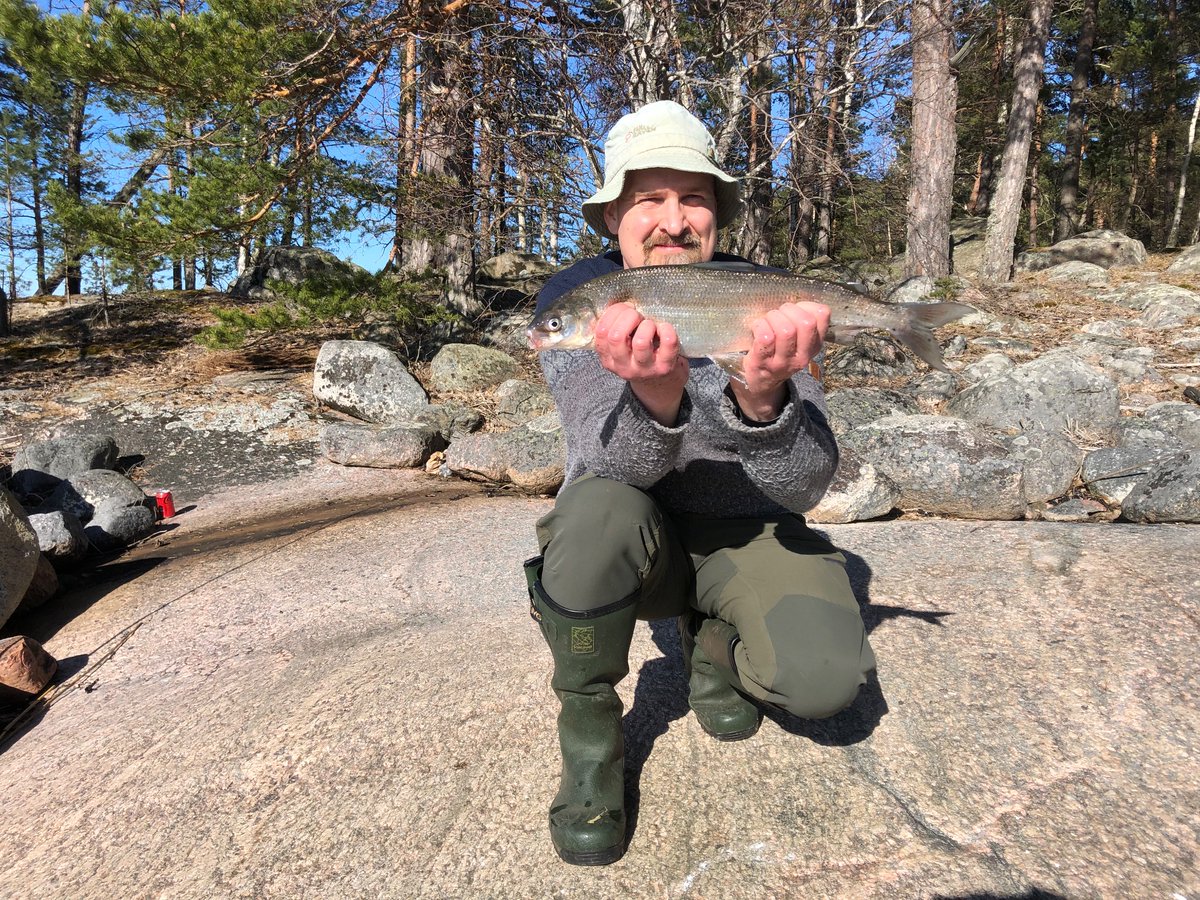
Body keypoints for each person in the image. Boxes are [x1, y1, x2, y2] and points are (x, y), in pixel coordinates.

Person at [523, 100, 876, 866]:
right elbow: (604, 460)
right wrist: (656, 397)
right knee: (591, 517)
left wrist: (762, 398)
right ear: (613, 216)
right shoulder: (580, 306)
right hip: (632, 535)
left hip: (743, 530)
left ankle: (713, 642)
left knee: (821, 683)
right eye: (648, 199)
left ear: (716, 214)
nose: (673, 220)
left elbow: (808, 483)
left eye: (694, 199)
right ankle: (591, 746)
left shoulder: (765, 298)